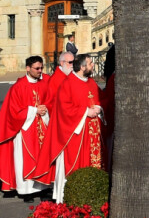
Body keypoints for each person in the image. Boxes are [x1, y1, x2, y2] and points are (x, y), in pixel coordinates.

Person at [37, 54, 104, 202]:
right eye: (90, 64)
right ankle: (70, 198)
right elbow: (64, 109)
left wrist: (98, 107)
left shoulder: (91, 82)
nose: (93, 66)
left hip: (92, 133)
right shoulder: (68, 84)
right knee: (77, 166)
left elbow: (97, 98)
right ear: (82, 67)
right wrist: (86, 112)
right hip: (75, 135)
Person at [0, 56, 50, 197]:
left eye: (41, 68)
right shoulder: (18, 87)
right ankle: (26, 190)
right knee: (25, 158)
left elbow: (50, 102)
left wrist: (45, 109)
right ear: (28, 68)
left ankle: (42, 187)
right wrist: (34, 110)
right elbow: (13, 111)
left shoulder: (44, 84)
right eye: (37, 68)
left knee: (42, 156)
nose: (40, 71)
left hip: (42, 125)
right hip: (25, 128)